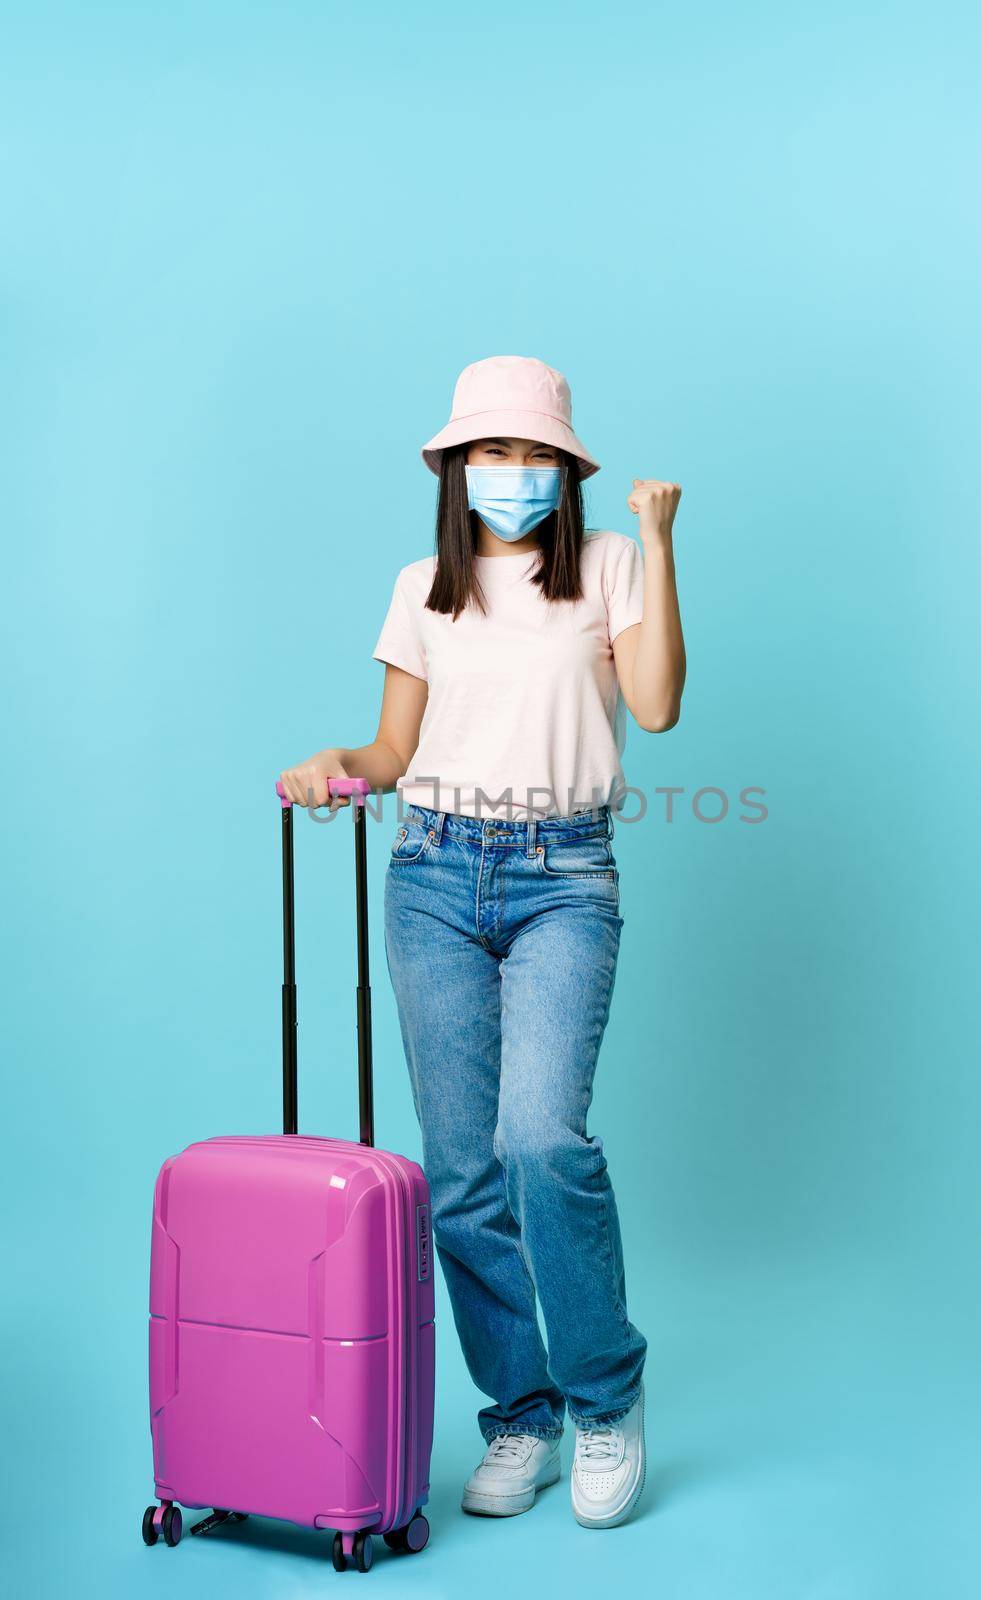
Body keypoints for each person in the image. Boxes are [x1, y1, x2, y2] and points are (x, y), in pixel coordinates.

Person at [278, 354, 685, 1529]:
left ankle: (605, 1393)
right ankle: (520, 1415)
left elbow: (652, 707)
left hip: (563, 873)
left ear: (567, 471)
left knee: (538, 1140)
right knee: (458, 1176)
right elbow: (391, 751)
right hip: (433, 877)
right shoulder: (421, 587)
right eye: (491, 453)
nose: (513, 473)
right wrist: (335, 768)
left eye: (535, 455)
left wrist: (658, 543)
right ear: (454, 470)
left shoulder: (606, 565)